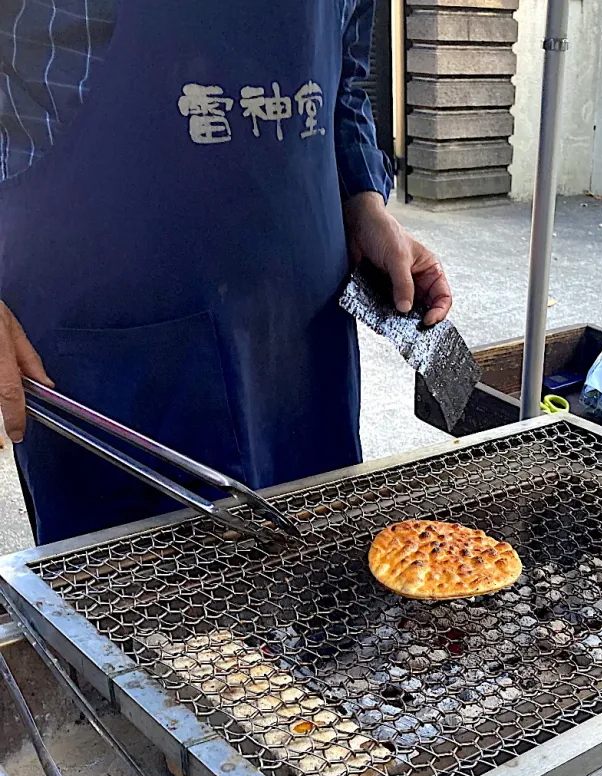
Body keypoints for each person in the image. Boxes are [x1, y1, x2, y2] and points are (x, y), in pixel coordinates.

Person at [0, 1, 451, 546]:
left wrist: (363, 201)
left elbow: (347, 78)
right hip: (111, 349)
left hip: (301, 344)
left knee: (314, 566)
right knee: (132, 585)